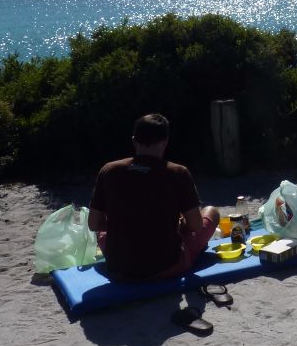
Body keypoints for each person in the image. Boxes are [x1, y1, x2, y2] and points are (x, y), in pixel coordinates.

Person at [88, 113, 220, 281]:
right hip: (166, 266)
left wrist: (127, 221)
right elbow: (195, 226)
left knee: (104, 234)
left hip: (119, 268)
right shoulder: (178, 173)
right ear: (165, 141)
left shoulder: (109, 170)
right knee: (211, 212)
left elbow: (93, 224)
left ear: (134, 140)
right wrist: (174, 224)